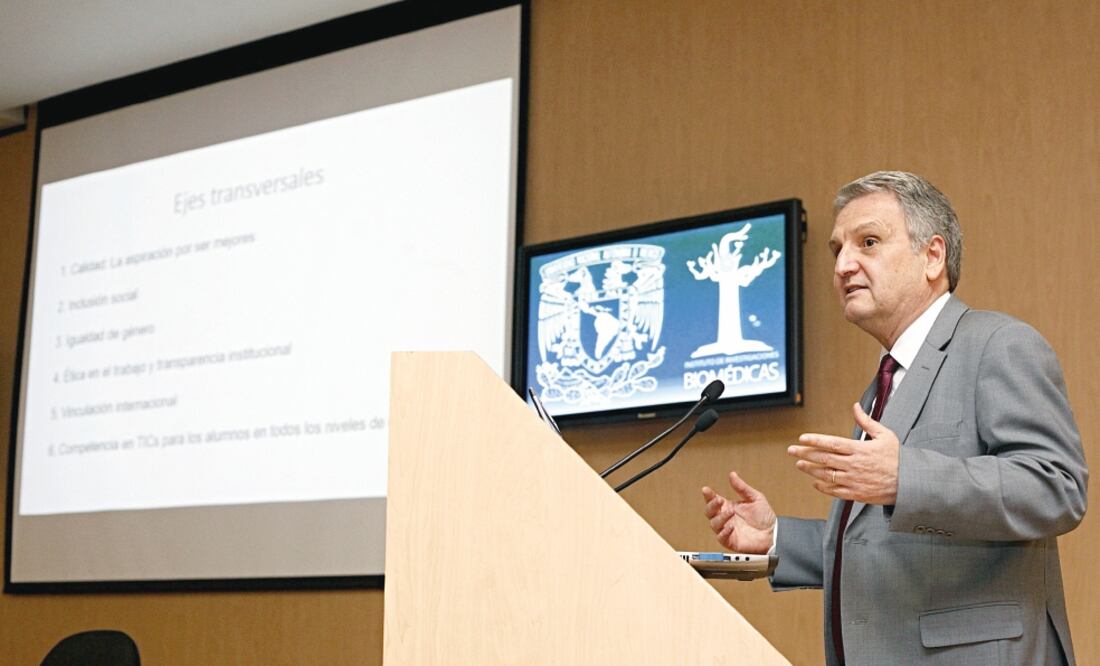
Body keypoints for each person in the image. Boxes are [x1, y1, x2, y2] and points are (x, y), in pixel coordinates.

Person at [701, 171, 1087, 665]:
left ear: (933, 256)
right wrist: (776, 538)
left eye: (868, 242)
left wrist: (905, 477)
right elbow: (887, 548)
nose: (843, 265)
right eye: (837, 249)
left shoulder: (998, 344)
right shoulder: (887, 379)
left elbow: (1056, 487)